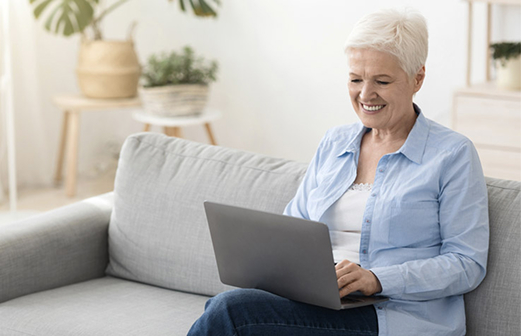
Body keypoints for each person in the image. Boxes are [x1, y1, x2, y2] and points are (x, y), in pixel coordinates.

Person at [188, 8, 489, 336]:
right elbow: (295, 225)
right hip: (320, 301)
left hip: (395, 314)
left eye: (382, 81)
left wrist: (375, 279)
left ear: (418, 78)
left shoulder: (452, 154)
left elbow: (466, 264)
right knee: (232, 306)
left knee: (231, 313)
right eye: (355, 79)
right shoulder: (335, 143)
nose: (365, 94)